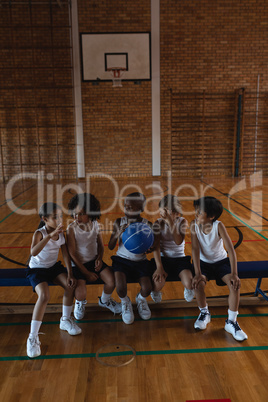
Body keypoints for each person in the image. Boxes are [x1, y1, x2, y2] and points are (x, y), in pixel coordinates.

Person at [26, 202, 81, 359]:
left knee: (71, 285)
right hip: (37, 269)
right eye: (55, 217)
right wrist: (49, 236)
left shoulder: (61, 233)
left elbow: (65, 254)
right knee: (44, 296)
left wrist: (70, 273)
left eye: (61, 216)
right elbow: (34, 252)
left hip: (52, 268)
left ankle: (65, 320)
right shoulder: (40, 233)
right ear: (45, 219)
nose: (59, 220)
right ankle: (32, 336)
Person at [191, 196, 248, 341]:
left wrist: (234, 274)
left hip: (221, 262)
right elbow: (195, 250)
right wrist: (198, 273)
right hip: (203, 264)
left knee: (234, 285)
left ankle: (231, 321)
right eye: (195, 211)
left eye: (200, 212)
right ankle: (204, 313)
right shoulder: (194, 225)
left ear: (211, 216)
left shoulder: (219, 226)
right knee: (198, 285)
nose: (196, 214)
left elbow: (230, 249)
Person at [67, 193, 121, 320]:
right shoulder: (71, 228)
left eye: (81, 214)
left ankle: (104, 301)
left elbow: (101, 246)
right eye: (75, 213)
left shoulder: (95, 224)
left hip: (93, 261)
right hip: (79, 266)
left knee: (111, 280)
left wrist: (99, 259)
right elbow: (72, 254)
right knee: (81, 293)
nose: (77, 217)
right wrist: (85, 272)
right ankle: (79, 303)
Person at [108, 192, 152, 324]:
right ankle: (125, 302)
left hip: (140, 261)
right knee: (120, 287)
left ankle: (141, 300)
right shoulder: (119, 222)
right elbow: (110, 246)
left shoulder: (147, 224)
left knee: (147, 288)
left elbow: (153, 246)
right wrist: (117, 234)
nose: (126, 209)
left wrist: (149, 248)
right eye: (125, 206)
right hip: (121, 261)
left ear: (140, 209)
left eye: (130, 207)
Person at [151, 194, 195, 303]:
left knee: (189, 283)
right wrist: (159, 267)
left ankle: (187, 288)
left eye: (166, 212)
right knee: (156, 284)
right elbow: (156, 247)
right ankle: (156, 291)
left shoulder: (182, 222)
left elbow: (178, 241)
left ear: (176, 212)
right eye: (161, 211)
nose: (163, 215)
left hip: (180, 259)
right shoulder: (158, 223)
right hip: (163, 259)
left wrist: (170, 222)